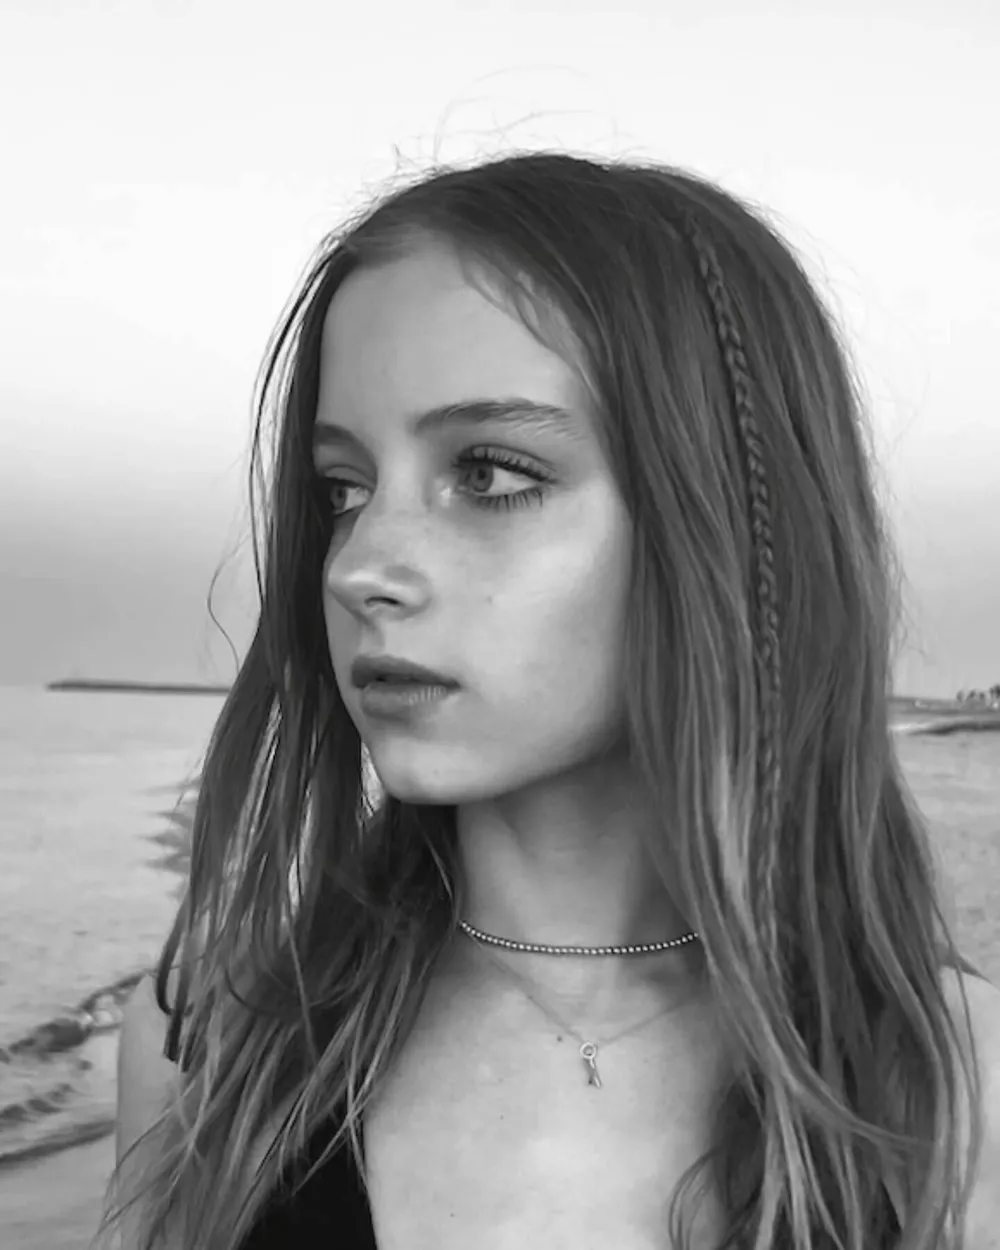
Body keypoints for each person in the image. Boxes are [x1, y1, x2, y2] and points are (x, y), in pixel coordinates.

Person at [94, 149, 1000, 1250]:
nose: (360, 566)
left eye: (488, 474)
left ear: (724, 522)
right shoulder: (219, 1041)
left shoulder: (954, 1090)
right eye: (344, 488)